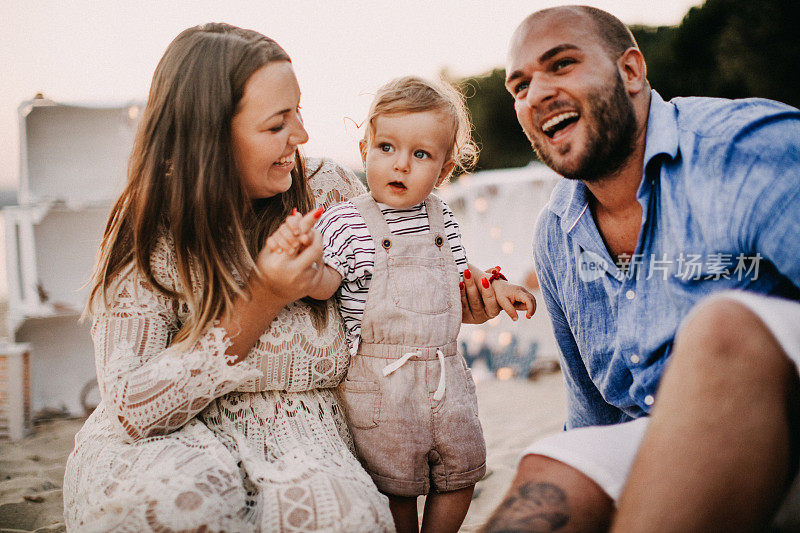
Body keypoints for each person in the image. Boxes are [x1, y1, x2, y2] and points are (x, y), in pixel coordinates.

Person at [61, 23, 404, 531]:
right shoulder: (148, 228)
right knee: (183, 503)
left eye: (299, 111)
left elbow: (403, 271)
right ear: (210, 139)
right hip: (164, 441)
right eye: (276, 125)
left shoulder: (327, 190)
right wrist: (263, 296)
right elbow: (134, 407)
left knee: (342, 519)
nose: (302, 136)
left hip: (304, 437)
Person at [482, 5, 800, 532]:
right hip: (664, 440)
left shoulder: (743, 149)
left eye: (560, 65)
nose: (536, 93)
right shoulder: (556, 233)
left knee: (723, 326)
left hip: (781, 420)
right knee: (551, 470)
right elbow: (593, 418)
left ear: (630, 71)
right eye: (519, 86)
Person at [269, 76, 536, 533]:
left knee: (461, 474)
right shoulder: (347, 221)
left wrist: (497, 285)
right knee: (395, 485)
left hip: (445, 374)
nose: (401, 166)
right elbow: (328, 282)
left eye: (420, 155)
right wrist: (305, 270)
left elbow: (459, 270)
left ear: (444, 170)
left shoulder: (441, 216)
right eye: (387, 148)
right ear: (364, 148)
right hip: (380, 381)